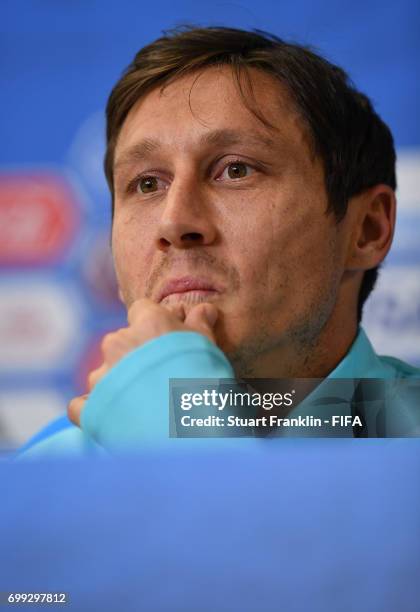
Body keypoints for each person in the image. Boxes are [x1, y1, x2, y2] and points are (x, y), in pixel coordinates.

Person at [19, 26, 420, 457]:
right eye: (147, 183)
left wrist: (184, 438)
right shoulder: (41, 470)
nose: (174, 223)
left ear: (366, 230)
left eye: (236, 170)